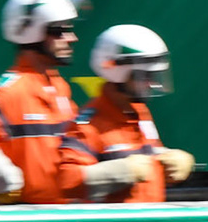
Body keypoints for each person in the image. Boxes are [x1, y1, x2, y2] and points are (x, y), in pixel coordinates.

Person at [0, 0, 117, 205]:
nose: (73, 38)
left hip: (69, 216)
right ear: (30, 32)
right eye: (60, 31)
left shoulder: (58, 86)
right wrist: (5, 180)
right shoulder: (9, 91)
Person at [58, 23, 194, 203]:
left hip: (150, 221)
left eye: (153, 77)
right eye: (143, 77)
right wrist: (121, 171)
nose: (150, 85)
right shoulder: (88, 126)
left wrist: (173, 159)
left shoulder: (139, 112)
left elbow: (145, 159)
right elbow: (67, 181)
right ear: (116, 72)